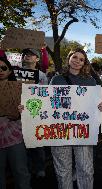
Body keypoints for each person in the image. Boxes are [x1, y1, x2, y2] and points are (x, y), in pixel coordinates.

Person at [49, 48, 102, 189]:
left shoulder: (90, 81)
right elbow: (47, 103)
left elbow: (95, 103)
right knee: (63, 170)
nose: (77, 61)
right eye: (74, 57)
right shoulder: (56, 79)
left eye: (81, 59)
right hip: (60, 130)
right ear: (69, 58)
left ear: (84, 63)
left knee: (85, 169)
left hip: (83, 129)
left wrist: (100, 105)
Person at [0, 51, 31, 189]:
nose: (0, 71)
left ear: (9, 70)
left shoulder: (20, 88)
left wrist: (23, 110)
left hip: (15, 135)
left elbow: (32, 110)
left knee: (20, 169)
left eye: (3, 68)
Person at [21, 48, 48, 178]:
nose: (27, 56)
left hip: (36, 114)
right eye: (26, 54)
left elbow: (45, 96)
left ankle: (40, 167)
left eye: (32, 55)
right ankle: (27, 168)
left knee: (37, 143)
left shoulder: (42, 76)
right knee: (22, 145)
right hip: (18, 115)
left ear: (37, 59)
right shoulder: (14, 73)